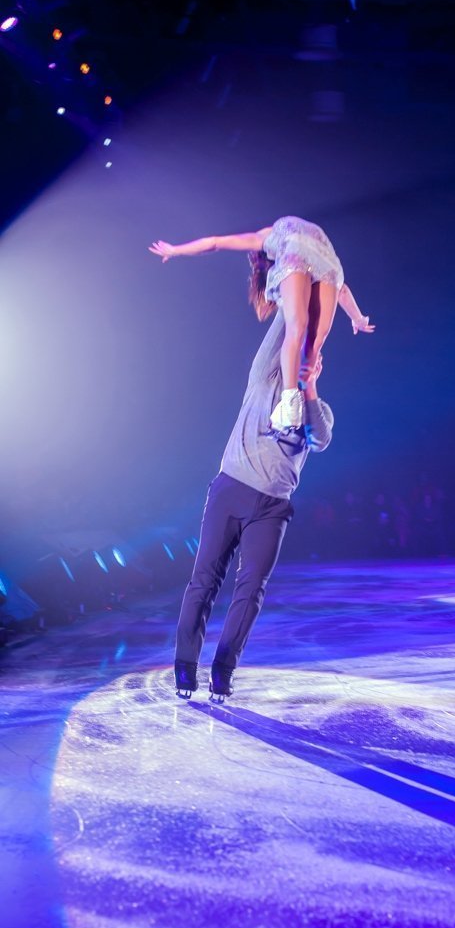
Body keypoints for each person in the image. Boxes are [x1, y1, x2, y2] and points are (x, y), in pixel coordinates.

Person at [172, 311, 333, 701]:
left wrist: (309, 388)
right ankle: (185, 665)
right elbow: (286, 324)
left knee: (251, 589)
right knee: (205, 579)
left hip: (272, 508)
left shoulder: (319, 410)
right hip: (230, 489)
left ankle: (223, 670)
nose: (302, 361)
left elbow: (320, 439)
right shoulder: (264, 379)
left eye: (312, 360)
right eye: (299, 355)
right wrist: (291, 293)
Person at [149, 215, 373, 432]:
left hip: (297, 249)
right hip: (331, 264)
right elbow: (341, 290)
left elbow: (216, 242)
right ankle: (293, 402)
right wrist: (358, 318)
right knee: (314, 345)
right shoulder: (279, 235)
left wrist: (176, 250)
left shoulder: (267, 237)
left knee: (296, 328)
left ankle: (290, 401)